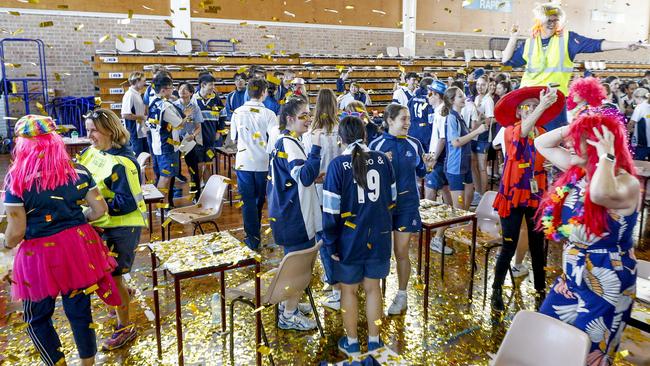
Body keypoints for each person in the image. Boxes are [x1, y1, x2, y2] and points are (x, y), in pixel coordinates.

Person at [2, 115, 120, 366]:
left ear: (22, 144)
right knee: (79, 311)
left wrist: (5, 246)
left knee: (37, 317)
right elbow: (100, 211)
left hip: (39, 255)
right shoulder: (78, 170)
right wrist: (77, 221)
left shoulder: (17, 179)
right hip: (77, 249)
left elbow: (16, 231)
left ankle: (57, 363)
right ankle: (88, 363)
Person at [535, 110, 640, 366]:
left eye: (579, 137)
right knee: (545, 333)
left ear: (597, 142)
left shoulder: (626, 182)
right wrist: (575, 126)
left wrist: (606, 155)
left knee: (586, 353)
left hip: (607, 279)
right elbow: (541, 143)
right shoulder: (578, 170)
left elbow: (599, 194)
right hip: (573, 275)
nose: (569, 142)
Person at [501, 2, 645, 130]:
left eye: (555, 20)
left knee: (554, 144)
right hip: (530, 101)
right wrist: (513, 37)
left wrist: (624, 45)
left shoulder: (568, 39)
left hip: (554, 101)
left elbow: (595, 44)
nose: (552, 24)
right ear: (539, 21)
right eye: (548, 20)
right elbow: (506, 61)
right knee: (527, 145)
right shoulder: (529, 43)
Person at [322, 116, 396, 356]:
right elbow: (392, 200)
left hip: (348, 238)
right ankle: (375, 341)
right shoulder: (383, 161)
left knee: (349, 291)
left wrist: (331, 243)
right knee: (374, 288)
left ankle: (352, 343)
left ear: (340, 139)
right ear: (365, 136)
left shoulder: (337, 165)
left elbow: (331, 211)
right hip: (380, 234)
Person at [489, 86, 564, 311]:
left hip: (536, 194)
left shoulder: (542, 132)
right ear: (519, 112)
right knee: (508, 245)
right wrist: (542, 104)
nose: (531, 109)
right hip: (512, 194)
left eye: (535, 106)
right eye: (527, 107)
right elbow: (522, 134)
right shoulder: (509, 130)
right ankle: (496, 289)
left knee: (537, 246)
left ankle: (540, 291)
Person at [79, 108, 148, 350]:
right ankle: (122, 297)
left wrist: (93, 208)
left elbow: (126, 203)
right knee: (105, 275)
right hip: (101, 225)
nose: (88, 136)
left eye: (93, 131)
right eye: (87, 130)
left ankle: (125, 327)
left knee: (113, 277)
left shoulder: (123, 163)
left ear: (109, 131)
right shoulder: (93, 152)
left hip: (121, 228)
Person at [369, 104, 435, 315]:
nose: (408, 123)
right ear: (389, 121)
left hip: (407, 206)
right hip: (382, 207)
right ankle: (374, 295)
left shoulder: (415, 144)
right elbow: (367, 178)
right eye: (403, 119)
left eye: (408, 119)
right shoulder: (376, 145)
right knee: (381, 252)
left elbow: (422, 171)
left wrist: (429, 165)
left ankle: (402, 294)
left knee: (401, 252)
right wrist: (379, 165)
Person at [267, 96, 323, 331]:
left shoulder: (284, 140)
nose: (309, 120)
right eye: (303, 116)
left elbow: (294, 177)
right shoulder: (289, 143)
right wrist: (317, 148)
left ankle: (289, 303)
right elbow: (303, 176)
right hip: (294, 215)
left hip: (286, 212)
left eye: (309, 115)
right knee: (299, 268)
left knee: (295, 264)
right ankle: (288, 314)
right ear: (289, 118)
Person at [303, 88, 343, 310]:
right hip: (341, 190)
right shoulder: (341, 130)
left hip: (320, 191)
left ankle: (335, 285)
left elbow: (311, 166)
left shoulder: (311, 133)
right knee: (339, 235)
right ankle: (337, 279)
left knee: (324, 238)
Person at [231, 78, 277, 250]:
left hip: (243, 162)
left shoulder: (237, 112)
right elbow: (274, 141)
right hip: (263, 162)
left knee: (248, 201)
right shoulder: (269, 114)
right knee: (259, 199)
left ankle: (252, 237)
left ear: (248, 92)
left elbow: (234, 139)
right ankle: (254, 234)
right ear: (264, 93)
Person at [440, 87, 486, 211]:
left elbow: (465, 136)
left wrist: (477, 124)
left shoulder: (459, 117)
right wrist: (477, 131)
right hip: (455, 166)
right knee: (459, 205)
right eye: (460, 96)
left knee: (469, 196)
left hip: (465, 165)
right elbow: (456, 142)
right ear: (452, 100)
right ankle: (453, 227)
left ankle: (461, 225)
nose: (464, 98)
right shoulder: (451, 118)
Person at [147, 75, 184, 209]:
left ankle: (165, 205)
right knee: (165, 177)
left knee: (164, 176)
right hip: (167, 146)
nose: (173, 90)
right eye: (170, 88)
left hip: (157, 145)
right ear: (163, 90)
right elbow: (179, 124)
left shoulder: (153, 101)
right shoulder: (165, 106)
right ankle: (161, 208)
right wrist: (187, 115)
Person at [425, 81, 453, 255]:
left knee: (430, 198)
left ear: (436, 95)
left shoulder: (442, 112)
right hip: (440, 158)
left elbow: (442, 139)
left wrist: (434, 158)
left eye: (430, 94)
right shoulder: (439, 111)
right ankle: (437, 233)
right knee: (446, 199)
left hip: (439, 160)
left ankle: (434, 236)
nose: (428, 97)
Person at [193, 74, 226, 184]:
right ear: (203, 85)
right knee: (198, 165)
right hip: (197, 139)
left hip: (211, 137)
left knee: (208, 165)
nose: (213, 87)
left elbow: (222, 115)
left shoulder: (216, 99)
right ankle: (198, 188)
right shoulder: (193, 99)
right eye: (211, 85)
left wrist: (218, 131)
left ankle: (206, 187)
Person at [173, 82, 204, 199]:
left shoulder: (195, 107)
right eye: (180, 89)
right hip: (175, 140)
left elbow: (198, 127)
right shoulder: (173, 106)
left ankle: (196, 194)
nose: (182, 91)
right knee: (174, 169)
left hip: (188, 141)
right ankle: (171, 198)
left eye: (186, 89)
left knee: (193, 169)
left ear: (191, 93)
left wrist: (193, 135)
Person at [471, 75, 496, 202]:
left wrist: (477, 114)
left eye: (482, 85)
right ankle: (477, 190)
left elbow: (489, 120)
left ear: (487, 86)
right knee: (473, 164)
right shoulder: (476, 98)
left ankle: (483, 194)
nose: (479, 87)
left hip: (483, 136)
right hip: (474, 135)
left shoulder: (488, 100)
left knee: (482, 166)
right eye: (478, 84)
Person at [120, 71, 148, 157]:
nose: (144, 83)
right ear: (136, 81)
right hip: (133, 131)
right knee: (137, 157)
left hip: (140, 130)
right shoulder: (129, 95)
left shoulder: (137, 94)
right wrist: (142, 117)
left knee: (143, 156)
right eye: (143, 81)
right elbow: (125, 114)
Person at [407, 77, 435, 152]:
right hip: (425, 132)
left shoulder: (413, 98)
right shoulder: (429, 100)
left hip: (412, 130)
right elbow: (431, 119)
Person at [629, 87, 650, 160]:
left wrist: (626, 132)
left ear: (639, 98)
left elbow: (632, 123)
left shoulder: (640, 107)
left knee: (638, 163)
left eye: (635, 100)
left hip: (642, 143)